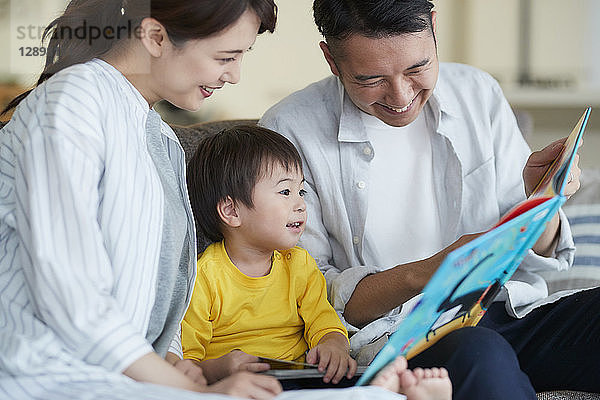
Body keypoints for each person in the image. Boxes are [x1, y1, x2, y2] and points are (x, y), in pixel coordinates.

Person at [0, 0, 450, 399]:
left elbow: (161, 302)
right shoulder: (75, 101)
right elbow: (71, 297)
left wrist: (177, 363)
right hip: (48, 375)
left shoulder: (158, 139)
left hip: (122, 375)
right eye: (226, 56)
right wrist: (174, 379)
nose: (235, 74)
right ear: (155, 36)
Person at [259, 0, 599, 399]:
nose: (401, 95)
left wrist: (543, 201)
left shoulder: (477, 93)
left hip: (507, 312)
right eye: (371, 79)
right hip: (401, 338)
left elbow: (529, 252)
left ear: (434, 28)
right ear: (331, 59)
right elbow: (308, 290)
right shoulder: (290, 129)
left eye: (417, 68)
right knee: (479, 353)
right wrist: (432, 271)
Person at [182, 125, 357, 386]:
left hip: (299, 378)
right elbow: (186, 361)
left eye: (302, 191)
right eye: (285, 192)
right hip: (236, 385)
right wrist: (218, 369)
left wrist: (334, 345)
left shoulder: (299, 265)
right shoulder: (203, 277)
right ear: (231, 211)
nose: (300, 204)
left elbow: (323, 321)